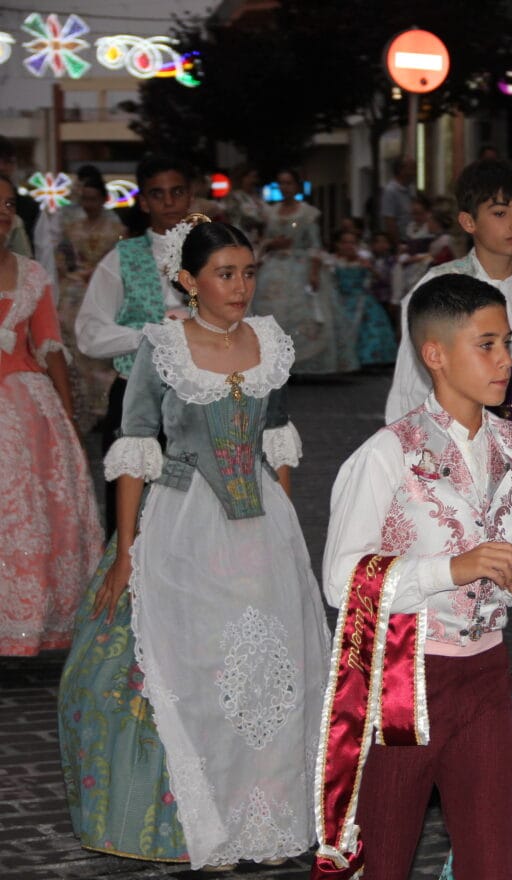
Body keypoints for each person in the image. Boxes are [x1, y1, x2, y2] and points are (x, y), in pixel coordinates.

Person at [58, 216, 330, 869]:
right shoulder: (162, 346)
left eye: (247, 273)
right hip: (184, 519)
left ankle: (268, 814)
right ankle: (211, 817)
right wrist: (127, 553)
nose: (240, 287)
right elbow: (135, 450)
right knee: (204, 665)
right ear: (188, 280)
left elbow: (276, 443)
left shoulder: (270, 342)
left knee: (269, 668)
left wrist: (284, 534)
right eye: (224, 274)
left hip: (261, 522)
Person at [316, 273, 512, 880]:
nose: (506, 361)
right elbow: (340, 580)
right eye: (487, 345)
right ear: (435, 355)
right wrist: (451, 569)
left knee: (494, 859)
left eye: (507, 343)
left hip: (487, 670)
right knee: (383, 854)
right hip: (404, 676)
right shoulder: (387, 453)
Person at [387, 159, 512, 441]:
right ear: (469, 222)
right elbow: (410, 386)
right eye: (500, 213)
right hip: (451, 445)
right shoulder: (439, 286)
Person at [0, 174, 103, 655]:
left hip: (28, 411)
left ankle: (30, 618)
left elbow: (50, 347)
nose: (2, 214)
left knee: (34, 513)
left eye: (8, 205)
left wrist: (68, 421)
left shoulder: (32, 274)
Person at [75, 154, 194, 535]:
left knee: (194, 511)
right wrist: (149, 335)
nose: (169, 202)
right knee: (132, 512)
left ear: (190, 195)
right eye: (158, 194)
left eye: (177, 192)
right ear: (144, 202)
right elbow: (89, 332)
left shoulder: (214, 253)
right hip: (136, 396)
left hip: (201, 398)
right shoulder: (122, 258)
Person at [251, 168, 349, 374]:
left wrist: (314, 272)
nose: (285, 187)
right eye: (281, 183)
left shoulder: (307, 213)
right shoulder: (271, 212)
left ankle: (300, 362)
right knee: (272, 311)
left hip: (299, 266)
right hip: (274, 267)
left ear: (297, 186)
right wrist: (271, 244)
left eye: (289, 183)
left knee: (301, 314)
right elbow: (265, 240)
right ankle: (275, 359)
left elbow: (315, 245)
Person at [56, 175, 125, 433]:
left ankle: (105, 405)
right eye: (85, 199)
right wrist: (74, 273)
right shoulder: (72, 227)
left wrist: (97, 273)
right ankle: (81, 404)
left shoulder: (116, 229)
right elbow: (62, 258)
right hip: (77, 289)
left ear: (104, 199)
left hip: (105, 288)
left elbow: (120, 261)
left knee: (101, 350)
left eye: (93, 199)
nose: (88, 204)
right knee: (74, 347)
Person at [327, 228, 396, 368]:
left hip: (362, 300)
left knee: (371, 327)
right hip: (340, 300)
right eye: (345, 242)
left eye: (352, 243)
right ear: (338, 244)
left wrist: (369, 268)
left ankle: (369, 359)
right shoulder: (332, 262)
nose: (349, 246)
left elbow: (379, 278)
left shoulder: (363, 261)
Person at [223, 163, 267, 243]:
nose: (253, 180)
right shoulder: (235, 197)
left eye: (255, 177)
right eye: (250, 177)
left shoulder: (258, 197)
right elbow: (249, 217)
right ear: (241, 178)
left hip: (257, 240)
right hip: (240, 238)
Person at [379, 155, 417, 245]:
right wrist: (398, 244)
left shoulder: (411, 189)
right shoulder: (390, 191)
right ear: (401, 170)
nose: (414, 173)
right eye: (411, 169)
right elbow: (389, 221)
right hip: (401, 242)